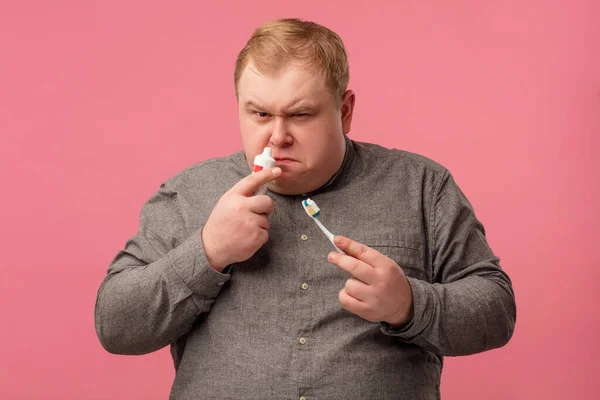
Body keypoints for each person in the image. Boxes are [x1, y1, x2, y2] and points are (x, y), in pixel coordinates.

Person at [95, 18, 516, 400]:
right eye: (259, 113)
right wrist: (207, 252)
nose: (277, 137)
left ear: (345, 111)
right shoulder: (186, 194)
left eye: (300, 115)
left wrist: (408, 304)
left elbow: (496, 311)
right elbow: (116, 326)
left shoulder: (423, 186)